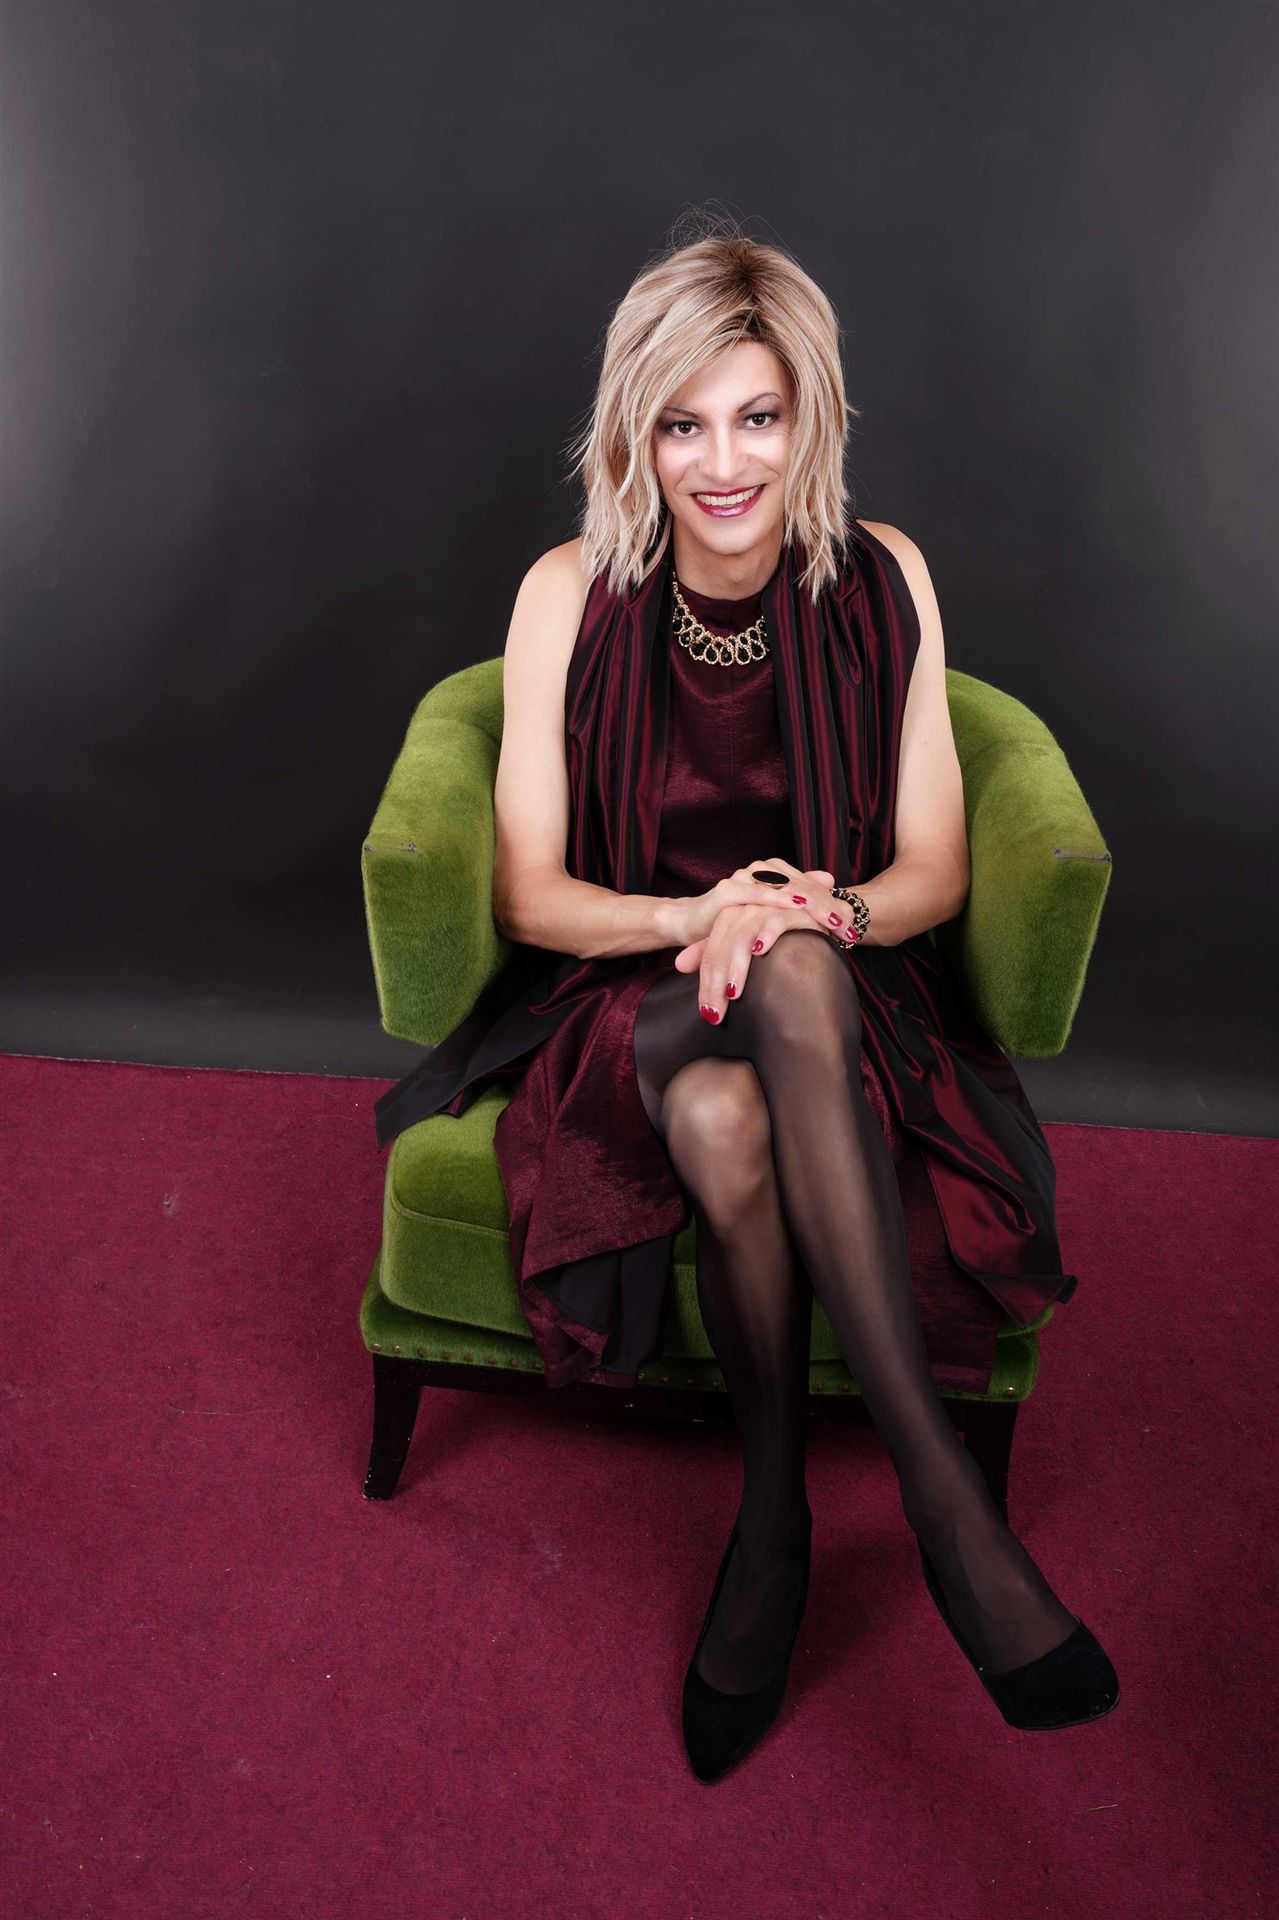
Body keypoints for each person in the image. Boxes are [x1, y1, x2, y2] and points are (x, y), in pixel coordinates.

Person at [374, 226, 1121, 1782]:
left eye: (759, 416)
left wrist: (808, 918)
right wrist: (700, 917)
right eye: (683, 423)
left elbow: (933, 867)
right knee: (743, 1002)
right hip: (624, 1000)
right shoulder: (570, 591)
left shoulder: (885, 578)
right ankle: (943, 1501)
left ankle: (772, 1526)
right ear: (635, 434)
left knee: (741, 1084)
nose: (724, 463)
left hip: (835, 996)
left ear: (811, 418)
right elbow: (529, 895)